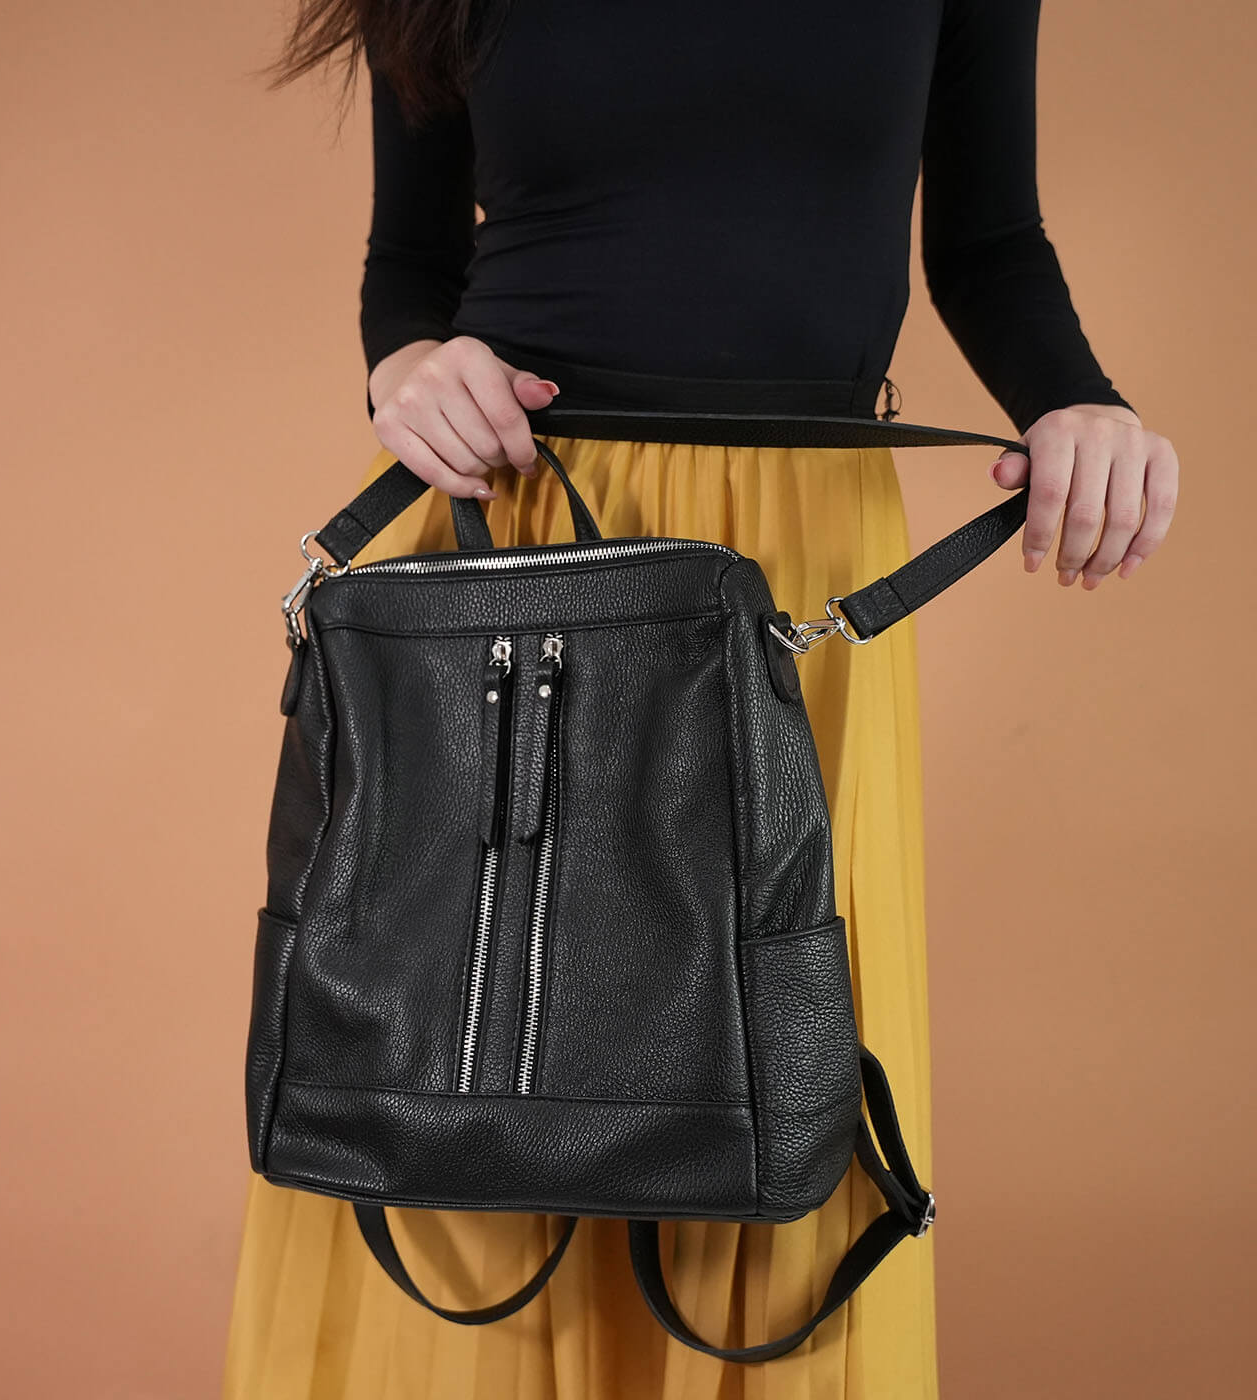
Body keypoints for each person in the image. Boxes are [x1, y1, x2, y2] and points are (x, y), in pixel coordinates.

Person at [222, 3, 1179, 1396]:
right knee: (467, 1046)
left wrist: (1078, 400)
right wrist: (409, 369)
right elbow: (410, 265)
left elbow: (988, 241)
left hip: (799, 556)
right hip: (521, 526)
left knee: (772, 1052)